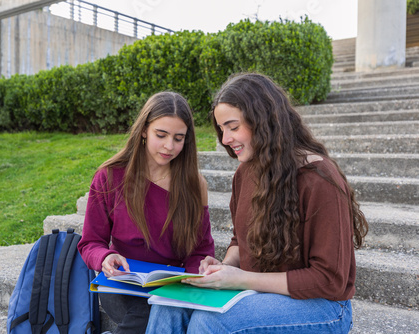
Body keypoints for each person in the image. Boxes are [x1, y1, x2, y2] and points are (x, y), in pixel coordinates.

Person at [145, 73, 368, 334]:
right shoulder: (245, 173)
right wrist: (223, 269)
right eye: (222, 129)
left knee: (211, 323)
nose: (225, 139)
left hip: (323, 307)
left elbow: (329, 280)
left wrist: (241, 279)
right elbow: (240, 241)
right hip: (257, 290)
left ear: (263, 121)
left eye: (233, 127)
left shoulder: (320, 180)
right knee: (169, 304)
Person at [77, 91, 215, 334]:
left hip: (171, 286)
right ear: (143, 130)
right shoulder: (110, 176)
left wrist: (198, 272)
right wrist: (106, 257)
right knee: (146, 314)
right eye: (160, 135)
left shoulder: (195, 185)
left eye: (178, 138)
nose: (169, 146)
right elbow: (90, 243)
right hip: (122, 285)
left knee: (172, 313)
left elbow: (201, 250)